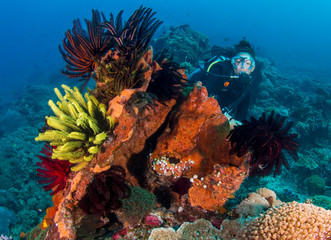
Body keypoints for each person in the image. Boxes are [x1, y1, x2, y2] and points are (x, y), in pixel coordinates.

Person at [189, 40, 261, 121]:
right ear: (232, 62)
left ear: (253, 68)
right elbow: (198, 97)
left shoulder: (247, 85)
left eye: (247, 63)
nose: (242, 67)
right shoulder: (220, 71)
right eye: (238, 62)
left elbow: (242, 115)